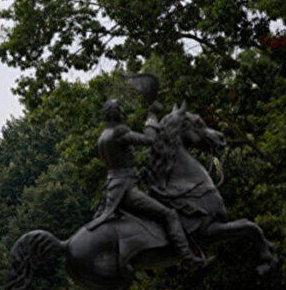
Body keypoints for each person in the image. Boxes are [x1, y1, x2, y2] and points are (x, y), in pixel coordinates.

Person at [87, 99, 205, 266]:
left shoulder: (103, 135)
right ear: (117, 113)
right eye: (121, 110)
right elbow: (150, 140)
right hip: (126, 189)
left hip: (114, 186)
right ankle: (187, 257)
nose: (124, 114)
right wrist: (151, 116)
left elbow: (120, 166)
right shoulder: (118, 133)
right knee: (168, 214)